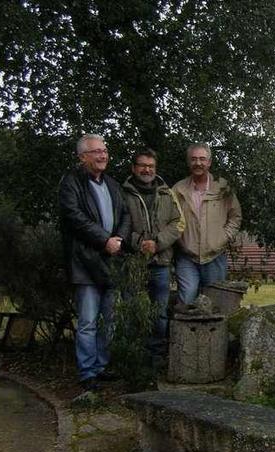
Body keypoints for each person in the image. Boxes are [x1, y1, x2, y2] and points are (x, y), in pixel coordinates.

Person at [59, 133, 131, 391]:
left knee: (108, 319)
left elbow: (124, 213)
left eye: (104, 151)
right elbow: (73, 217)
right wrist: (104, 240)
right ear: (82, 157)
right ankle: (87, 372)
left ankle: (102, 367)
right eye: (96, 152)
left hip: (112, 261)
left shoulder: (112, 183)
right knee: (88, 321)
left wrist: (120, 238)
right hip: (85, 263)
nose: (103, 155)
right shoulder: (71, 183)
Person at [122, 148, 184, 366]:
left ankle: (156, 356)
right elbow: (117, 224)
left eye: (151, 166)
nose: (147, 169)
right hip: (133, 263)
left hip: (161, 263)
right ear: (134, 168)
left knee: (159, 313)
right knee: (131, 310)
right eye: (142, 165)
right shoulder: (123, 193)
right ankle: (133, 355)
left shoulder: (167, 193)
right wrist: (139, 243)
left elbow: (178, 223)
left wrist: (157, 243)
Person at [172, 142, 242, 305]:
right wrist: (179, 239)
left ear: (209, 162)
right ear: (188, 162)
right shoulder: (178, 189)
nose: (198, 163)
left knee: (215, 303)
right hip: (186, 256)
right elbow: (169, 219)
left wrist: (224, 236)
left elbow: (235, 216)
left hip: (214, 256)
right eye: (194, 159)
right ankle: (186, 331)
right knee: (187, 300)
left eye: (202, 159)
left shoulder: (223, 187)